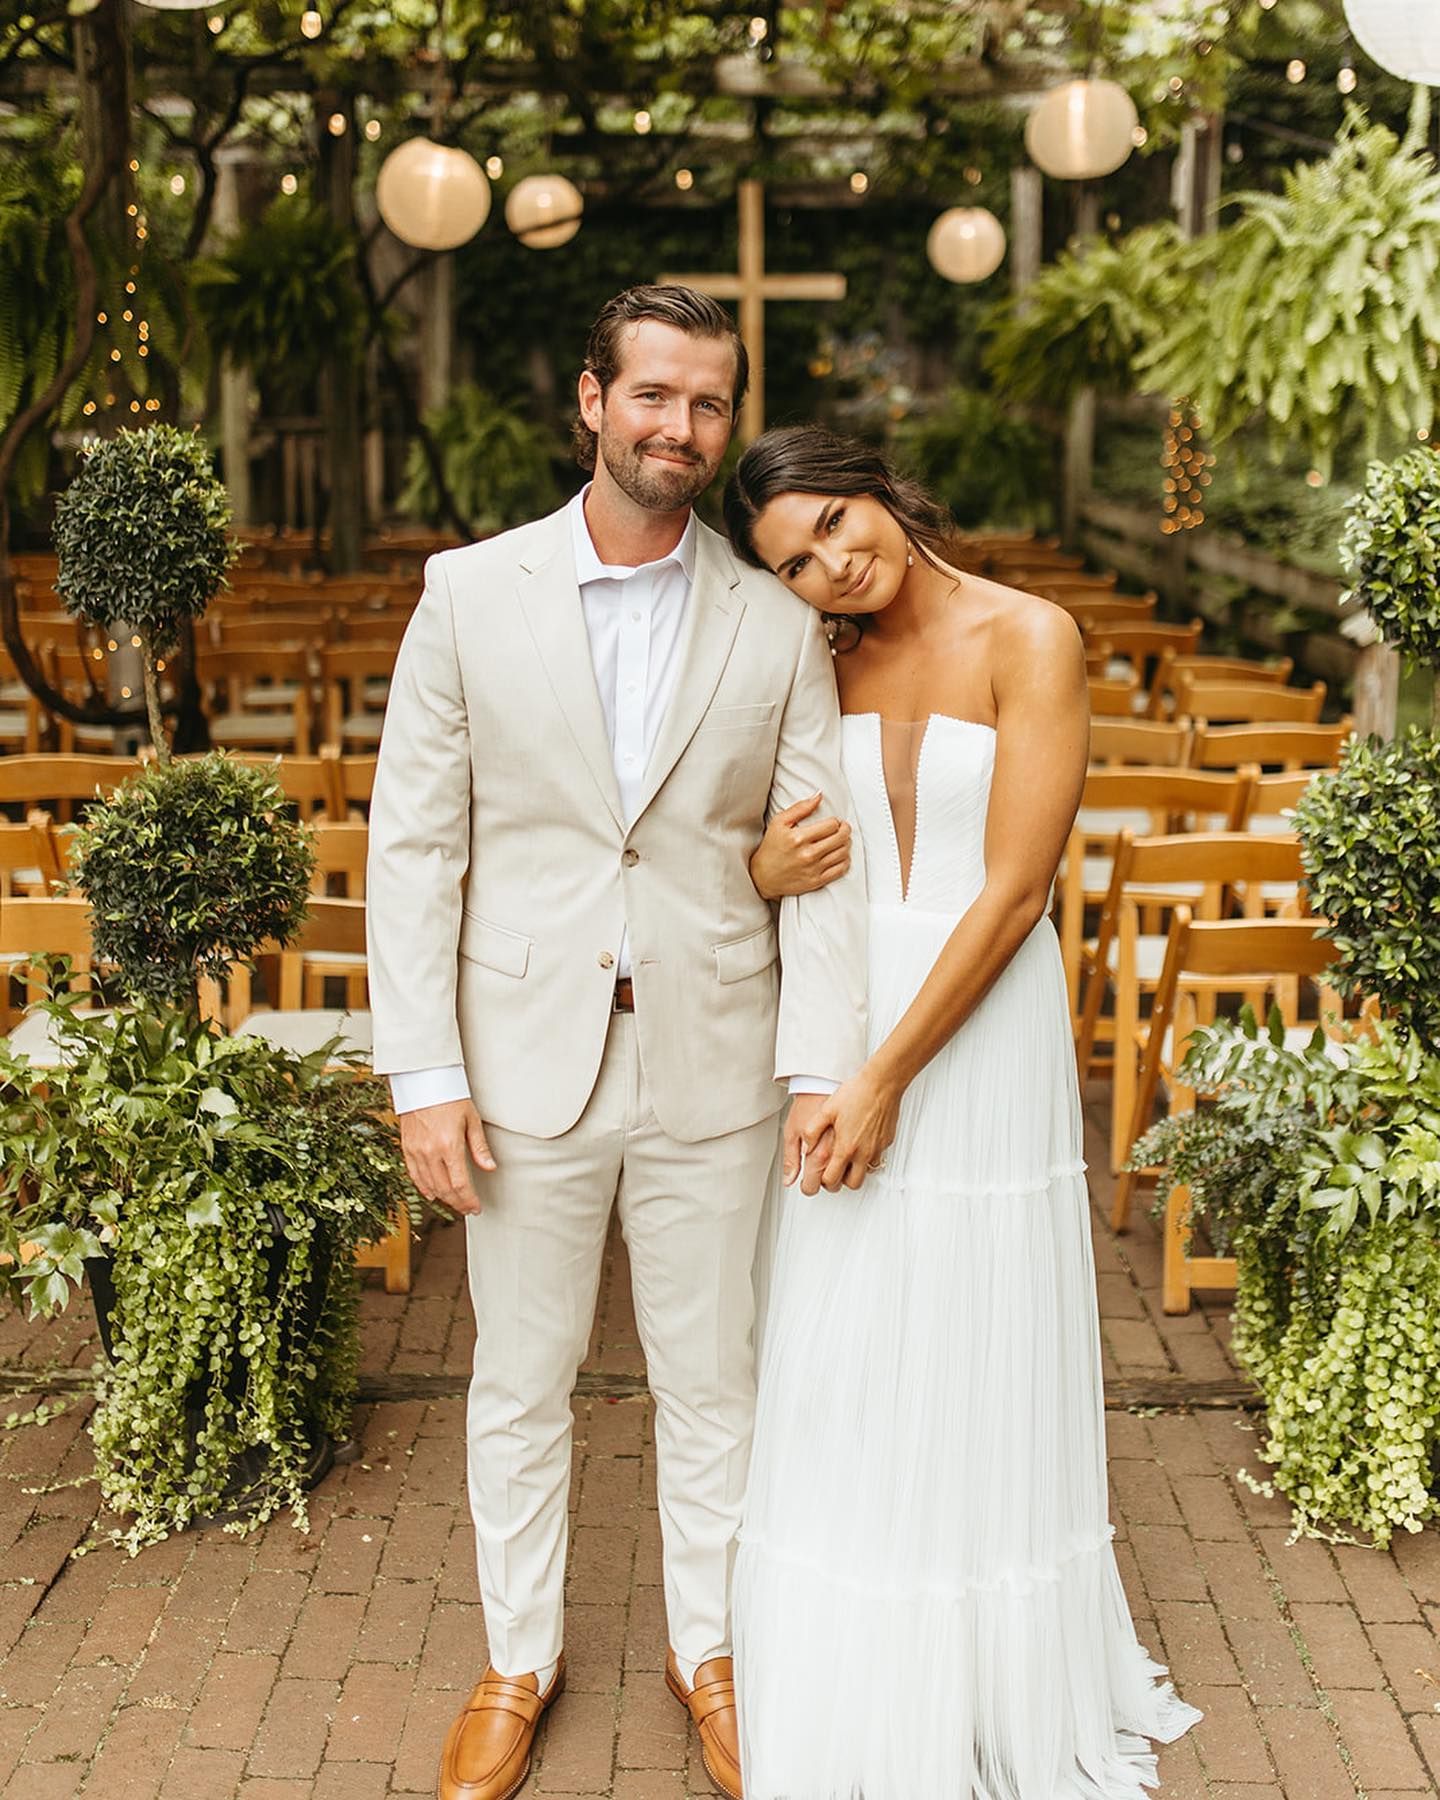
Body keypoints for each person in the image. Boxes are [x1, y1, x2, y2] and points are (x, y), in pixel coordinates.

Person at [365, 289, 869, 1800]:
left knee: (715, 1381)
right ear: (592, 400)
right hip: (521, 1065)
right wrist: (426, 1077)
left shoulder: (779, 624)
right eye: (653, 395)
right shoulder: (465, 593)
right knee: (520, 1378)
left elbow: (819, 861)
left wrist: (821, 1067)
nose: (680, 428)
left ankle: (707, 1650)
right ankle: (518, 1658)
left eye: (708, 404)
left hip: (714, 1057)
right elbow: (415, 849)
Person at [723, 426, 1202, 1800]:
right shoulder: (812, 663)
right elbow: (745, 844)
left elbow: (1014, 892)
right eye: (792, 564)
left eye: (829, 523)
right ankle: (846, 1663)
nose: (829, 566)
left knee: (969, 1317)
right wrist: (760, 868)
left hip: (973, 1027)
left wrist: (888, 1077)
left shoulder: (1028, 636)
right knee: (843, 1337)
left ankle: (983, 1677)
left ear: (875, 485)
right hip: (838, 1009)